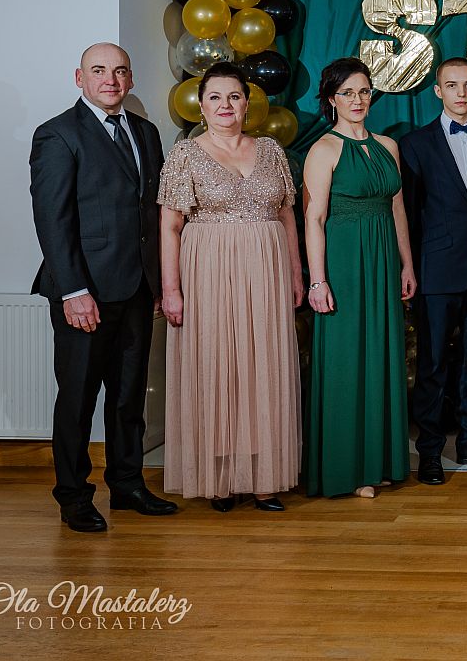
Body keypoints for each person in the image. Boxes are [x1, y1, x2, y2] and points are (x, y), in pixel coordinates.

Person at [29, 43, 176, 532]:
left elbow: (151, 213)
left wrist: (160, 281)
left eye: (119, 71)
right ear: (80, 78)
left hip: (136, 289)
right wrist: (73, 291)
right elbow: (52, 220)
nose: (110, 80)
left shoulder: (145, 132)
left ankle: (128, 484)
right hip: (84, 292)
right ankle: (73, 496)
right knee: (77, 399)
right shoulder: (57, 134)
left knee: (129, 396)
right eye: (99, 70)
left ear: (130, 79)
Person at [158, 62, 304, 512]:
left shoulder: (271, 150)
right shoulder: (185, 154)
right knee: (217, 367)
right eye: (216, 97)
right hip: (208, 271)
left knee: (263, 368)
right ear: (201, 106)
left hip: (267, 272)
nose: (225, 105)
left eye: (234, 96)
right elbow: (170, 226)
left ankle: (264, 478)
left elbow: (286, 216)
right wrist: (171, 290)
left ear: (247, 104)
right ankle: (219, 478)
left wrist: (297, 273)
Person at [302, 58, 416, 499]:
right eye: (348, 93)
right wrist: (318, 281)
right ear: (332, 99)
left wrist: (407, 264)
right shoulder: (324, 149)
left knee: (381, 355)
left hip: (383, 260)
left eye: (364, 91)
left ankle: (379, 462)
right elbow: (314, 219)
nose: (357, 100)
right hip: (345, 263)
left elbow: (397, 208)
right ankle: (347, 470)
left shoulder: (388, 146)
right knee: (347, 359)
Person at [400, 58, 467, 484]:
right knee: (432, 363)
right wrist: (409, 268)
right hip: (436, 268)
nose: (461, 93)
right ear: (437, 91)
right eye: (451, 85)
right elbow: (409, 214)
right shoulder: (415, 144)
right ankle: (429, 450)